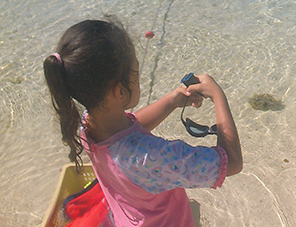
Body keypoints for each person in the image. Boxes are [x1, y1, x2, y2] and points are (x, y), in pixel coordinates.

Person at [43, 18, 243, 227]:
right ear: (120, 92)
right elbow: (232, 162)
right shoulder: (151, 157)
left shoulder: (87, 124)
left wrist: (171, 100)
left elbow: (129, 127)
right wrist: (218, 95)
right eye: (136, 73)